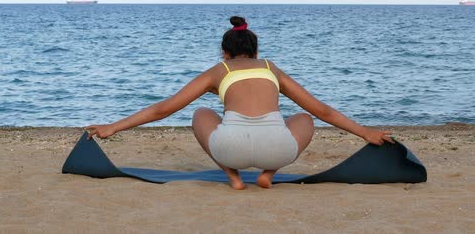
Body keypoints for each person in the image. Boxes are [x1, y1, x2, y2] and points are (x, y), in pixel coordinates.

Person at [85, 16, 393, 190]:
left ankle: (233, 177)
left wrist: (113, 128)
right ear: (256, 52)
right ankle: (268, 175)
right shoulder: (272, 69)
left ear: (224, 53)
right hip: (277, 149)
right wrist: (366, 133)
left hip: (229, 147)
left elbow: (163, 109)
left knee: (201, 113)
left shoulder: (219, 72)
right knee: (305, 118)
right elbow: (321, 110)